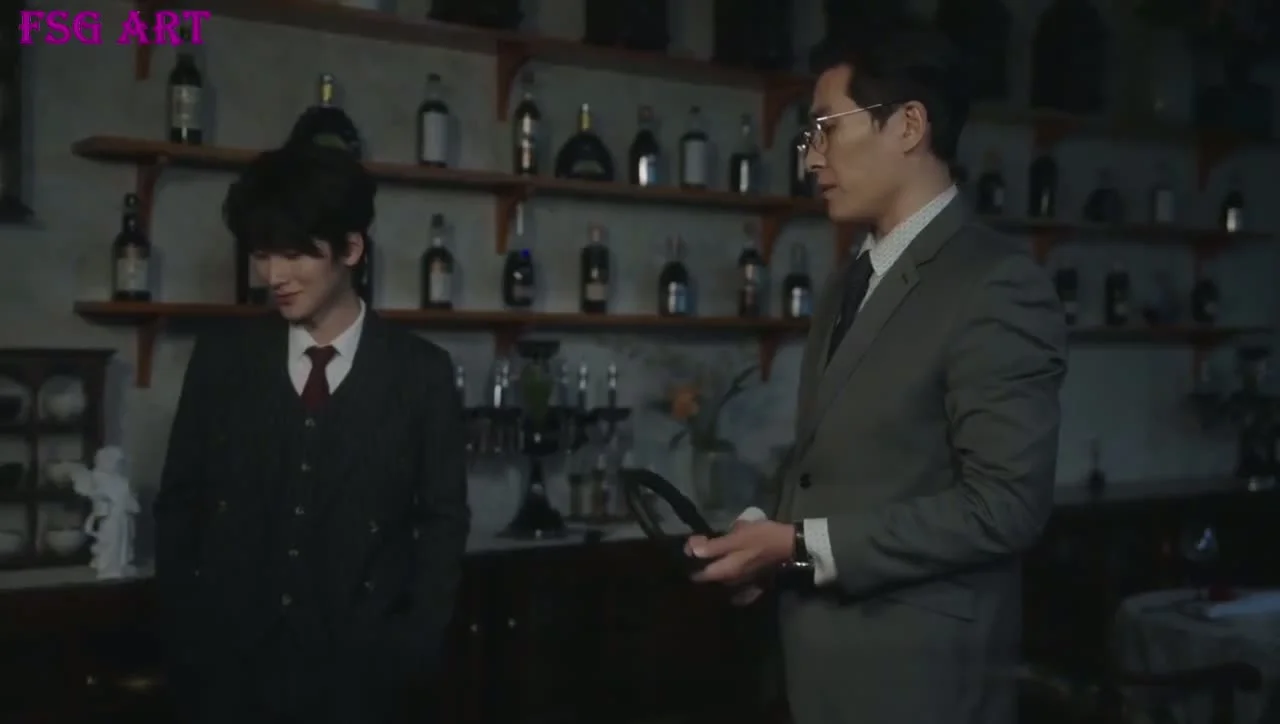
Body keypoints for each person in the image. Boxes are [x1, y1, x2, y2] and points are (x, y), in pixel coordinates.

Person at [685, 20, 1066, 724]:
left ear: (909, 126)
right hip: (820, 672)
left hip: (921, 684)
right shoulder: (849, 279)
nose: (811, 157)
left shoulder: (996, 283)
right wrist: (763, 538)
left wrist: (801, 546)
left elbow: (1005, 506)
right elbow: (829, 463)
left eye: (827, 127)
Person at [153, 145, 470, 724]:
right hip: (228, 678)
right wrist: (186, 634)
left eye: (294, 254)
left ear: (351, 249)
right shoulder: (222, 360)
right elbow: (180, 503)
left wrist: (415, 644)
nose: (274, 276)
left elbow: (443, 522)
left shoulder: (420, 372)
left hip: (365, 681)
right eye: (262, 254)